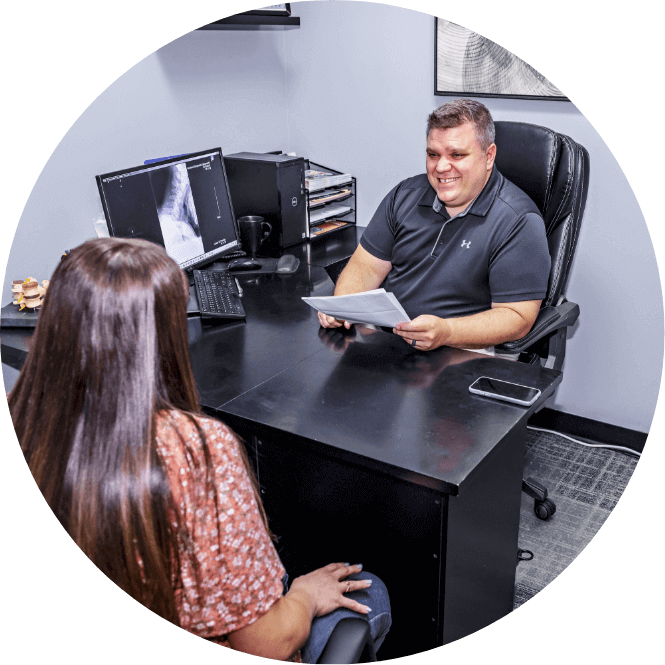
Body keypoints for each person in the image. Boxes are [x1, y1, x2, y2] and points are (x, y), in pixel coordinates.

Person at [9, 237, 390, 662]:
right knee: (371, 591)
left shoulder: (26, 419)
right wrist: (303, 597)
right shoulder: (195, 450)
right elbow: (266, 644)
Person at [318, 98, 551, 353]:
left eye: (457, 155)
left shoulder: (518, 220)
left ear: (489, 156)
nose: (441, 167)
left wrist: (447, 332)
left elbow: (517, 317)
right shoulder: (404, 195)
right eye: (433, 154)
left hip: (461, 350)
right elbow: (365, 267)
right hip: (387, 340)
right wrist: (342, 305)